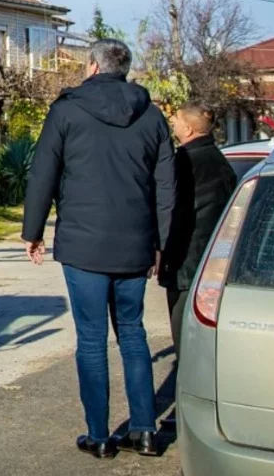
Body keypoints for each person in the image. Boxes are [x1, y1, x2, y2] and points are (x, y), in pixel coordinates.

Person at [21, 38, 175, 459]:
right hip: (136, 243)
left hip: (83, 243)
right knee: (133, 333)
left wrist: (32, 231)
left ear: (91, 66)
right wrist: (161, 242)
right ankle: (145, 430)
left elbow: (43, 173)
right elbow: (166, 187)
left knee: (91, 340)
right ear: (123, 69)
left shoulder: (67, 110)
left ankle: (100, 436)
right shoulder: (154, 116)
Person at [160, 102, 237, 354]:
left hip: (185, 261)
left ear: (190, 129)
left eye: (177, 120)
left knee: (184, 335)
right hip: (213, 259)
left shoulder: (183, 163)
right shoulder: (219, 160)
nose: (173, 123)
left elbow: (173, 210)